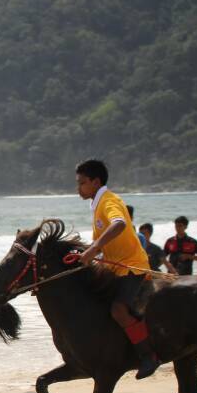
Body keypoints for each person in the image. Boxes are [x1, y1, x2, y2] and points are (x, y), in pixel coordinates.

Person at [75, 159, 160, 379]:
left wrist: (94, 248)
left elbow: (120, 224)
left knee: (118, 310)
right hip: (115, 267)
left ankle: (148, 355)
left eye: (82, 183)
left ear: (95, 181)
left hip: (131, 266)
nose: (79, 188)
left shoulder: (109, 201)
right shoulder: (97, 203)